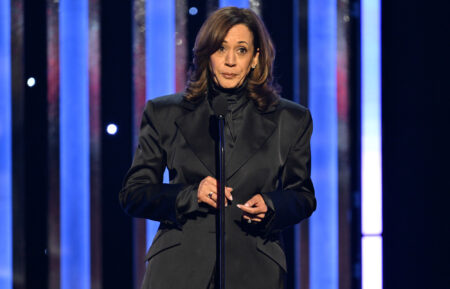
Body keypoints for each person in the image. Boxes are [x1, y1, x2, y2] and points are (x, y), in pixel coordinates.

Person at [119, 6, 316, 289]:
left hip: (254, 270)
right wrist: (190, 195)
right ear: (207, 54)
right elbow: (134, 193)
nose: (230, 61)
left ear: (255, 58)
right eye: (221, 48)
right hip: (178, 270)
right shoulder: (164, 113)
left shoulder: (291, 120)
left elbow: (303, 196)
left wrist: (271, 205)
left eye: (241, 50)